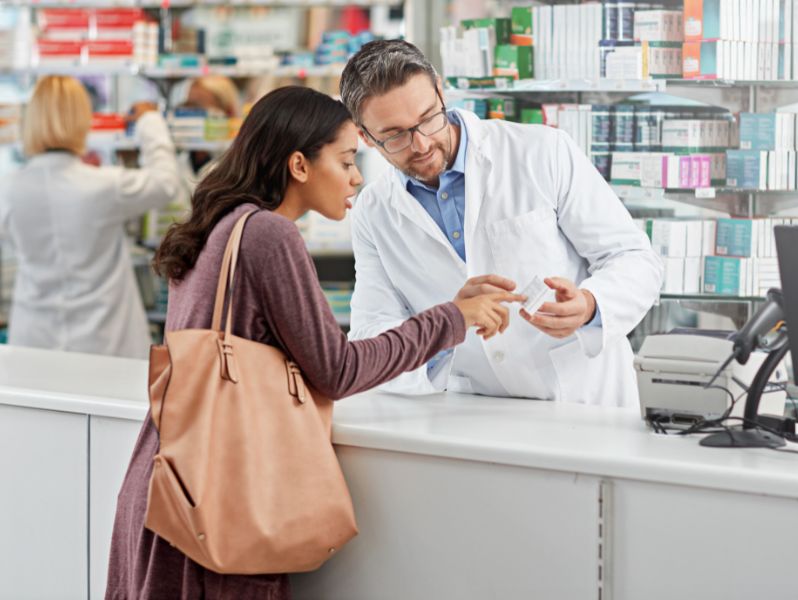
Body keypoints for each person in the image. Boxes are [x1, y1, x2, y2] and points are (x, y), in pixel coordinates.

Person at [105, 86, 521, 599]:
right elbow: (337, 371)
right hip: (221, 500)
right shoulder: (268, 236)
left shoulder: (216, 225)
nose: (356, 177)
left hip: (169, 486)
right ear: (299, 164)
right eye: (346, 160)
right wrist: (450, 321)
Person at [339, 40, 664, 407]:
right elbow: (371, 337)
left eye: (429, 118)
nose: (422, 143)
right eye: (396, 135)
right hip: (478, 412)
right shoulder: (373, 211)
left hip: (583, 401)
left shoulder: (542, 151)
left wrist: (590, 305)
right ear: (365, 136)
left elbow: (635, 258)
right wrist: (446, 329)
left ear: (440, 91)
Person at [0, 75, 180, 359]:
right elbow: (166, 183)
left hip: (33, 340)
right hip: (105, 341)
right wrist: (150, 123)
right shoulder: (103, 186)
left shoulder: (8, 189)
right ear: (82, 120)